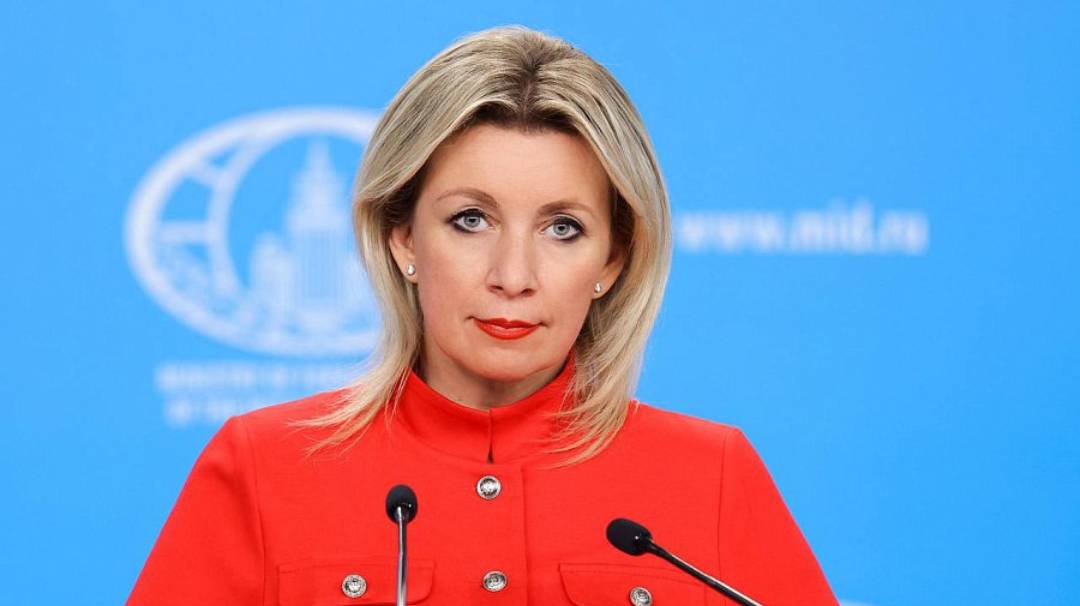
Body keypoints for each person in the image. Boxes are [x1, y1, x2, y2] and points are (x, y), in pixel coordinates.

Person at [127, 25, 837, 605]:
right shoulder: (262, 468)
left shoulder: (712, 477)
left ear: (613, 259)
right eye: (470, 220)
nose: (513, 277)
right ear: (402, 237)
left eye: (563, 228)